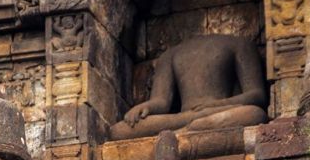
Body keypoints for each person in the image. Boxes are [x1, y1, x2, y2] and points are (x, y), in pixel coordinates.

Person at [111, 34, 267, 140]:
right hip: (183, 118)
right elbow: (161, 101)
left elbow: (257, 94)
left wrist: (217, 104)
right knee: (119, 131)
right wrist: (144, 107)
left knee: (254, 114)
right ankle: (190, 131)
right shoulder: (170, 54)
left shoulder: (239, 44)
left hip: (218, 111)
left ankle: (177, 136)